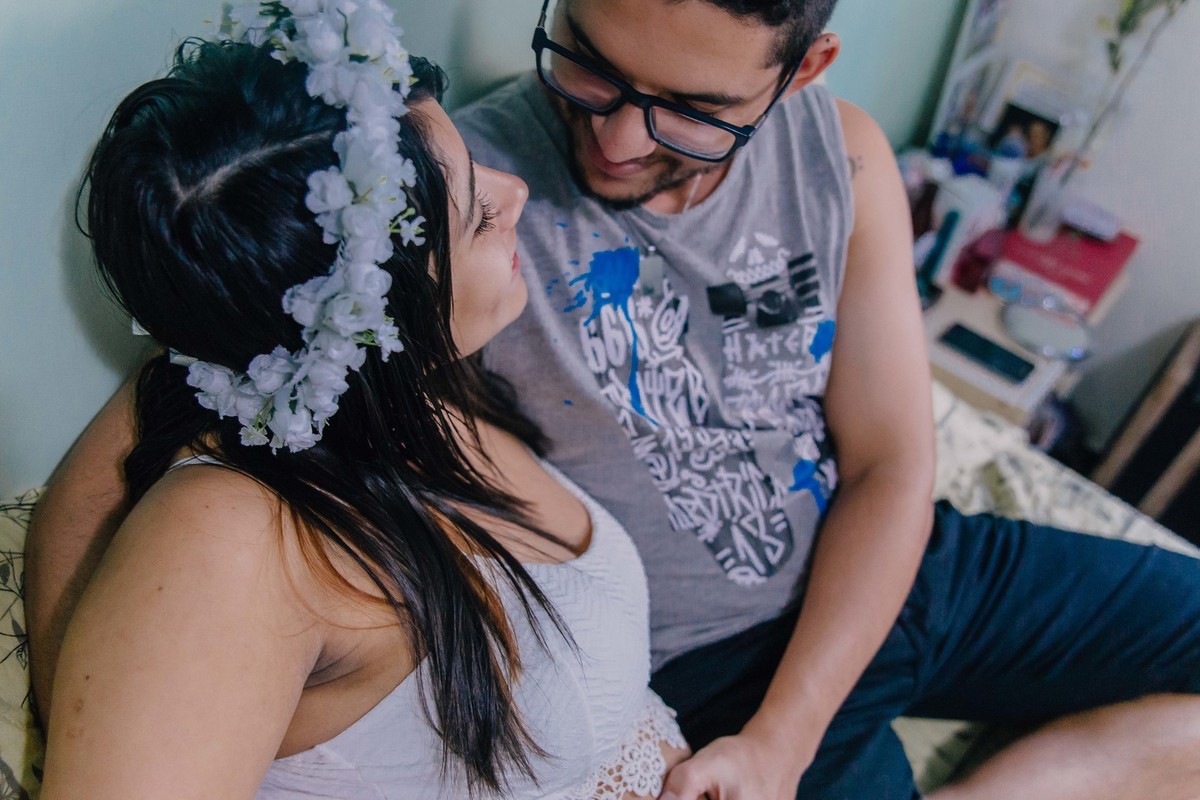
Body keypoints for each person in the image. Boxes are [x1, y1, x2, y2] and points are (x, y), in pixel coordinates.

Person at [26, 1, 1200, 799]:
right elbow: (207, 367)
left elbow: (893, 460)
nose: (614, 138)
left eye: (688, 106)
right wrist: (92, 683)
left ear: (800, 72)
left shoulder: (840, 155)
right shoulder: (418, 208)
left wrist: (788, 734)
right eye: (587, 60)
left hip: (892, 562)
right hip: (715, 665)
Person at [33, 4, 690, 798]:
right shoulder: (229, 540)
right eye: (477, 215)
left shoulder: (409, 390)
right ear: (368, 313)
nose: (516, 192)